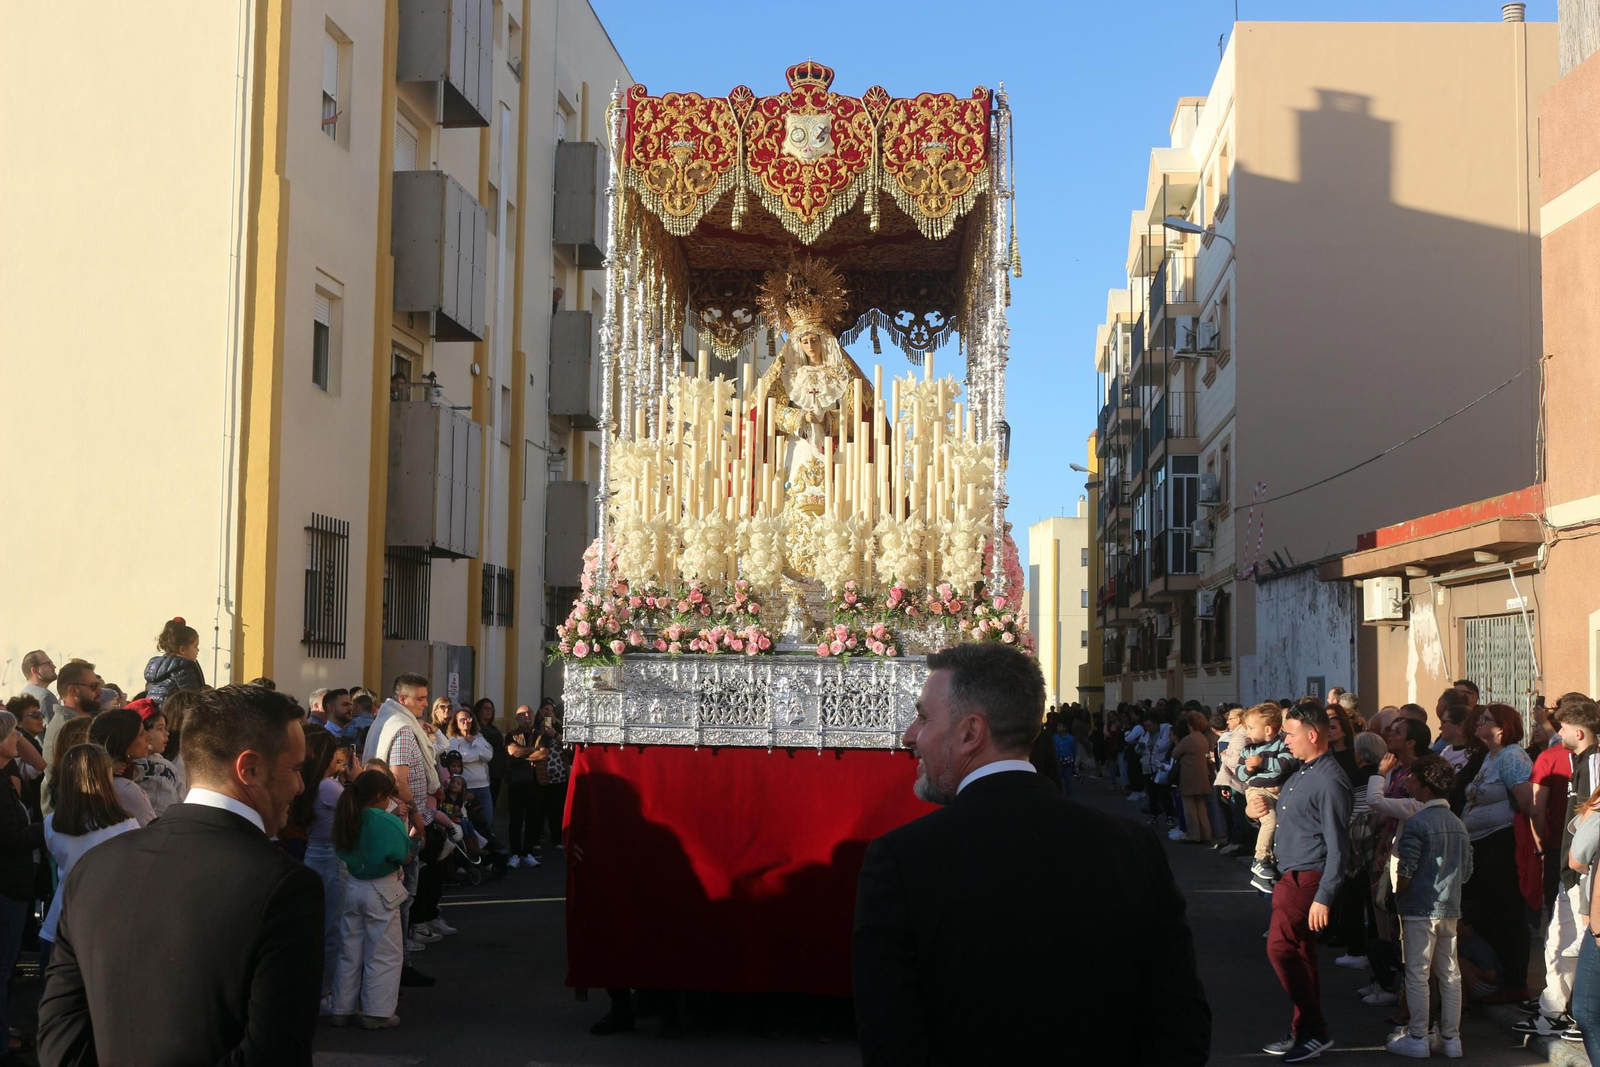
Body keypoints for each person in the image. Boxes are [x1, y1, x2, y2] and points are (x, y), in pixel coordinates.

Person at [851, 643, 1210, 1065]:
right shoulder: (1132, 845)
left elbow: (890, 1042)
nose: (910, 735)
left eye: (924, 717)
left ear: (970, 732)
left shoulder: (902, 859)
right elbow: (1180, 1025)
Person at [38, 683, 323, 1066]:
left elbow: (60, 1041)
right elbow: (275, 1055)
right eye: (296, 768)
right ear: (250, 768)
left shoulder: (94, 868)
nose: (301, 785)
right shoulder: (286, 886)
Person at [1253, 701, 1352, 1064]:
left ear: (1312, 735)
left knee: (1279, 948)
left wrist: (1324, 895)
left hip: (1307, 877)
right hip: (1289, 872)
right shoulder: (1301, 772)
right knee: (1299, 953)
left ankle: (1315, 1029)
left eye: (1290, 734)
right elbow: (1291, 820)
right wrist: (1256, 811)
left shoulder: (1330, 780)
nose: (1285, 741)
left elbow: (1340, 846)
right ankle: (1304, 1031)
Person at [363, 674, 451, 986]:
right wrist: (416, 817)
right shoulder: (401, 730)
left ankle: (392, 967)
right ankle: (399, 967)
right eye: (420, 698)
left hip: (393, 822)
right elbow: (399, 780)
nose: (426, 704)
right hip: (402, 825)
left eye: (426, 697)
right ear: (403, 700)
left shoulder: (394, 722)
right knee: (402, 899)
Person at [1521, 695, 1600, 1038]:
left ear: (1579, 733)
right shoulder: (1577, 760)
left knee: (1583, 945)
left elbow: (1594, 819)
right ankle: (1552, 1013)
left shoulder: (1594, 762)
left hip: (1584, 873)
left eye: (1564, 728)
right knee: (1558, 942)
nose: (1559, 733)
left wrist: (1580, 865)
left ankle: (1583, 1016)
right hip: (1569, 870)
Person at [1387, 755, 1471, 1059]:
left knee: (1418, 973)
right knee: (1449, 974)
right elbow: (1467, 871)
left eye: (1413, 779)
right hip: (1449, 908)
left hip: (1419, 909)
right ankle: (1451, 1038)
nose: (1408, 782)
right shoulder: (1458, 824)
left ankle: (1418, 1036)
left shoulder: (1418, 821)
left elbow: (1406, 870)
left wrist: (1399, 895)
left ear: (1425, 788)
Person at [39, 745, 136, 977]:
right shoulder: (127, 825)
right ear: (105, 778)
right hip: (105, 929)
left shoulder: (51, 823)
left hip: (58, 925)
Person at [1460, 702, 1534, 1001]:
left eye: (1486, 719)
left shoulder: (1511, 756)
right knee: (1486, 913)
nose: (1479, 721)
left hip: (1502, 846)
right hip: (1481, 846)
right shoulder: (1489, 757)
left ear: (1501, 729)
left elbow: (1526, 802)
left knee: (1506, 914)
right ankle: (1495, 979)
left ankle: (1515, 984)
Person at [329, 768, 410, 1029]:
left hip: (353, 885)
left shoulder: (347, 817)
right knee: (384, 951)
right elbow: (402, 855)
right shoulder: (387, 821)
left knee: (349, 950)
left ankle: (341, 1008)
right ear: (379, 795)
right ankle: (377, 1012)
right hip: (382, 887)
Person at [289, 730, 349, 1002]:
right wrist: (357, 780)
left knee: (320, 925)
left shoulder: (312, 785)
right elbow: (357, 815)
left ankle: (319, 989)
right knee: (332, 929)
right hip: (331, 856)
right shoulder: (328, 787)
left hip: (315, 852)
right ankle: (326, 992)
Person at [0, 710, 39, 1054]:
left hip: (10, 884)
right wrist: (47, 828)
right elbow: (11, 839)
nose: (19, 738)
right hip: (7, 886)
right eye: (14, 733)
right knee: (2, 968)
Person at [1239, 704, 1293, 893]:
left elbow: (1285, 764)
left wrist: (1263, 762)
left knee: (1277, 825)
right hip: (1257, 790)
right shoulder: (1248, 749)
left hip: (1279, 792)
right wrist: (1248, 769)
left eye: (1251, 728)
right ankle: (1260, 859)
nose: (1247, 732)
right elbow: (1240, 774)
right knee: (1270, 821)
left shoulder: (1282, 744)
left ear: (1268, 730)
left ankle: (1266, 870)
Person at [41, 660, 102, 814]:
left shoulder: (76, 722)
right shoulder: (68, 728)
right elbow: (80, 777)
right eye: (94, 686)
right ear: (73, 690)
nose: (99, 691)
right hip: (71, 816)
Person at [88, 708, 157, 828]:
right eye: (141, 734)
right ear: (123, 743)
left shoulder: (90, 781)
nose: (149, 736)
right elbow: (152, 831)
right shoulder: (126, 790)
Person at [127, 698, 185, 817]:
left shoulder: (166, 767)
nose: (166, 733)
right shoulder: (119, 770)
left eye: (165, 728)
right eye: (159, 728)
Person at [504, 704, 543, 868]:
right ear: (517, 718)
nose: (527, 715)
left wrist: (523, 753)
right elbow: (513, 751)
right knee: (516, 819)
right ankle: (515, 853)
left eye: (530, 712)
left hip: (537, 781)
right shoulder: (511, 735)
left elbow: (543, 754)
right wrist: (533, 750)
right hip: (517, 782)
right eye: (523, 713)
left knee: (533, 819)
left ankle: (527, 852)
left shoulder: (541, 734)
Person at [1171, 710, 1217, 844]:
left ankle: (1193, 834)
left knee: (1189, 808)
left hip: (1189, 776)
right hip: (1202, 775)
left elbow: (1175, 754)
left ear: (1190, 724)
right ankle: (1206, 833)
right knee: (1201, 806)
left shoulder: (1188, 739)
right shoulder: (1203, 738)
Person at [447, 704, 495, 831]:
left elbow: (488, 756)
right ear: (456, 723)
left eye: (468, 719)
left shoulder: (479, 738)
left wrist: (474, 741)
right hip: (465, 789)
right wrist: (478, 755)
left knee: (487, 823)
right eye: (462, 720)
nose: (466, 722)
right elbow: (457, 759)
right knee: (469, 826)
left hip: (484, 787)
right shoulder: (453, 741)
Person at [142, 617, 206, 707]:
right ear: (182, 649)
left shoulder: (157, 668)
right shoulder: (184, 669)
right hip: (173, 714)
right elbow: (193, 701)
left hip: (155, 713)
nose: (198, 650)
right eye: (195, 646)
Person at [474, 698, 508, 815]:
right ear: (478, 711)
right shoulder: (477, 728)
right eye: (485, 708)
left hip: (497, 771)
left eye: (491, 708)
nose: (489, 711)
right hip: (487, 771)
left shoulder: (493, 728)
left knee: (492, 803)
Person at [20, 650, 62, 725]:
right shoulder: (46, 696)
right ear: (35, 671)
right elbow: (53, 730)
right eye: (49, 664)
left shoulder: (23, 694)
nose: (54, 667)